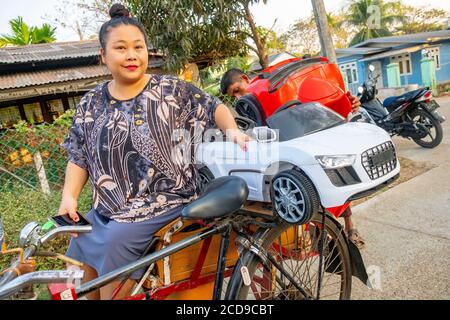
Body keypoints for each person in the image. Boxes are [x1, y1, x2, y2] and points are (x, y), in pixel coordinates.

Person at [58, 4, 251, 300]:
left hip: (164, 202)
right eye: (121, 48)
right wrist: (69, 198)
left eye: (138, 47)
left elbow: (215, 107)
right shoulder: (91, 102)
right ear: (103, 55)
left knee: (113, 244)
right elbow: (78, 155)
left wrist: (233, 130)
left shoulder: (171, 90)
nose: (132, 55)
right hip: (109, 209)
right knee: (82, 243)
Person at [220, 68, 366, 249]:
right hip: (286, 148)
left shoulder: (276, 88)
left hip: (311, 138)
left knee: (336, 183)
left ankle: (350, 227)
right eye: (233, 96)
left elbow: (318, 105)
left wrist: (348, 104)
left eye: (237, 90)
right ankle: (317, 232)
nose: (237, 97)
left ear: (244, 78)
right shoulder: (250, 106)